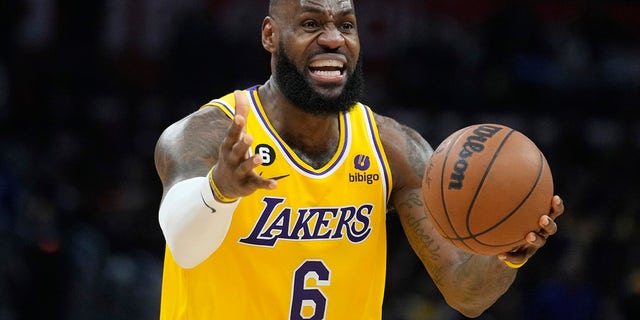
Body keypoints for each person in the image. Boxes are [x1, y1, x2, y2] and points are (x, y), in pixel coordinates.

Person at [154, 0, 565, 318]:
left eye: (346, 25)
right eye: (311, 24)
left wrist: (505, 254)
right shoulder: (206, 133)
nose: (334, 39)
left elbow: (464, 293)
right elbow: (183, 244)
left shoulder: (393, 148)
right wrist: (219, 190)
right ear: (270, 35)